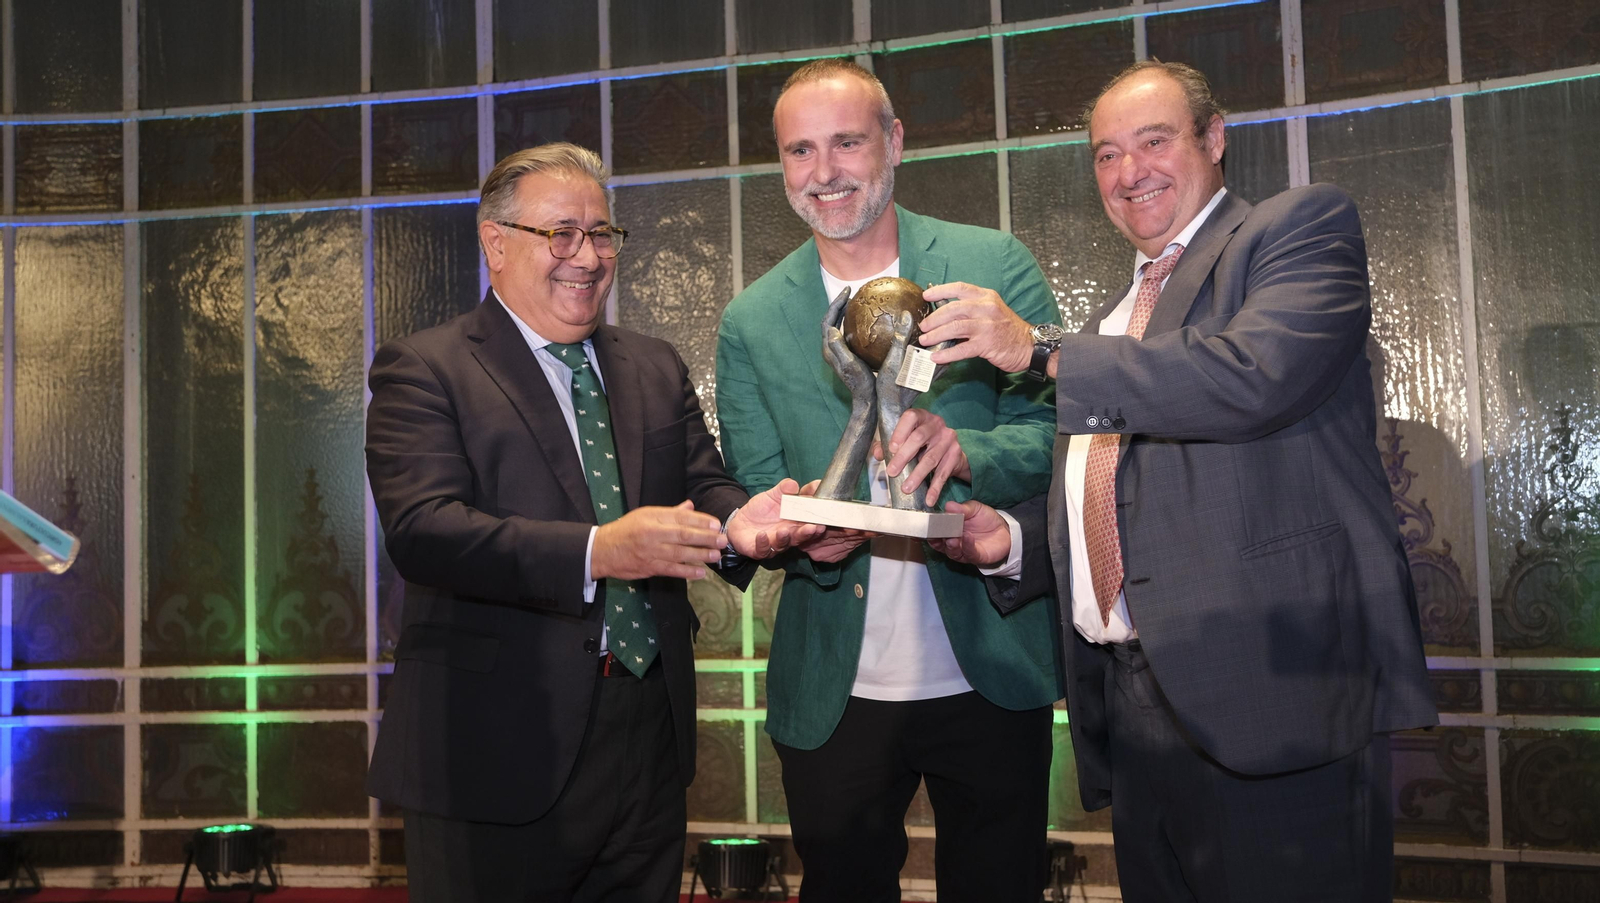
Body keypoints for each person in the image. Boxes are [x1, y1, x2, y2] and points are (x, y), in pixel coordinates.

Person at [918, 61, 1438, 902]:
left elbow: (1251, 375)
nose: (1130, 173)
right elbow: (1124, 502)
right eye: (1106, 156)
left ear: (1215, 138)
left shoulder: (1299, 230)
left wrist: (1041, 350)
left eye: (1153, 142)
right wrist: (1010, 540)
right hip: (1132, 718)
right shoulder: (1112, 325)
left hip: (1276, 705)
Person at [366, 143, 811, 903]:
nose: (588, 255)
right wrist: (601, 550)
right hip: (494, 750)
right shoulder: (425, 367)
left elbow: (704, 482)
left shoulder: (653, 364)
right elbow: (425, 530)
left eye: (602, 233)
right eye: (561, 233)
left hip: (646, 734)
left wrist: (744, 523)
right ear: (495, 241)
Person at [714, 60, 1062, 903]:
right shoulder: (753, 319)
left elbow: (1059, 428)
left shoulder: (989, 265)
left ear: (895, 142)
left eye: (845, 142)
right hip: (834, 682)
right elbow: (757, 480)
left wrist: (971, 454)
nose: (823, 172)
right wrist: (801, 532)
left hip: (989, 667)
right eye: (799, 150)